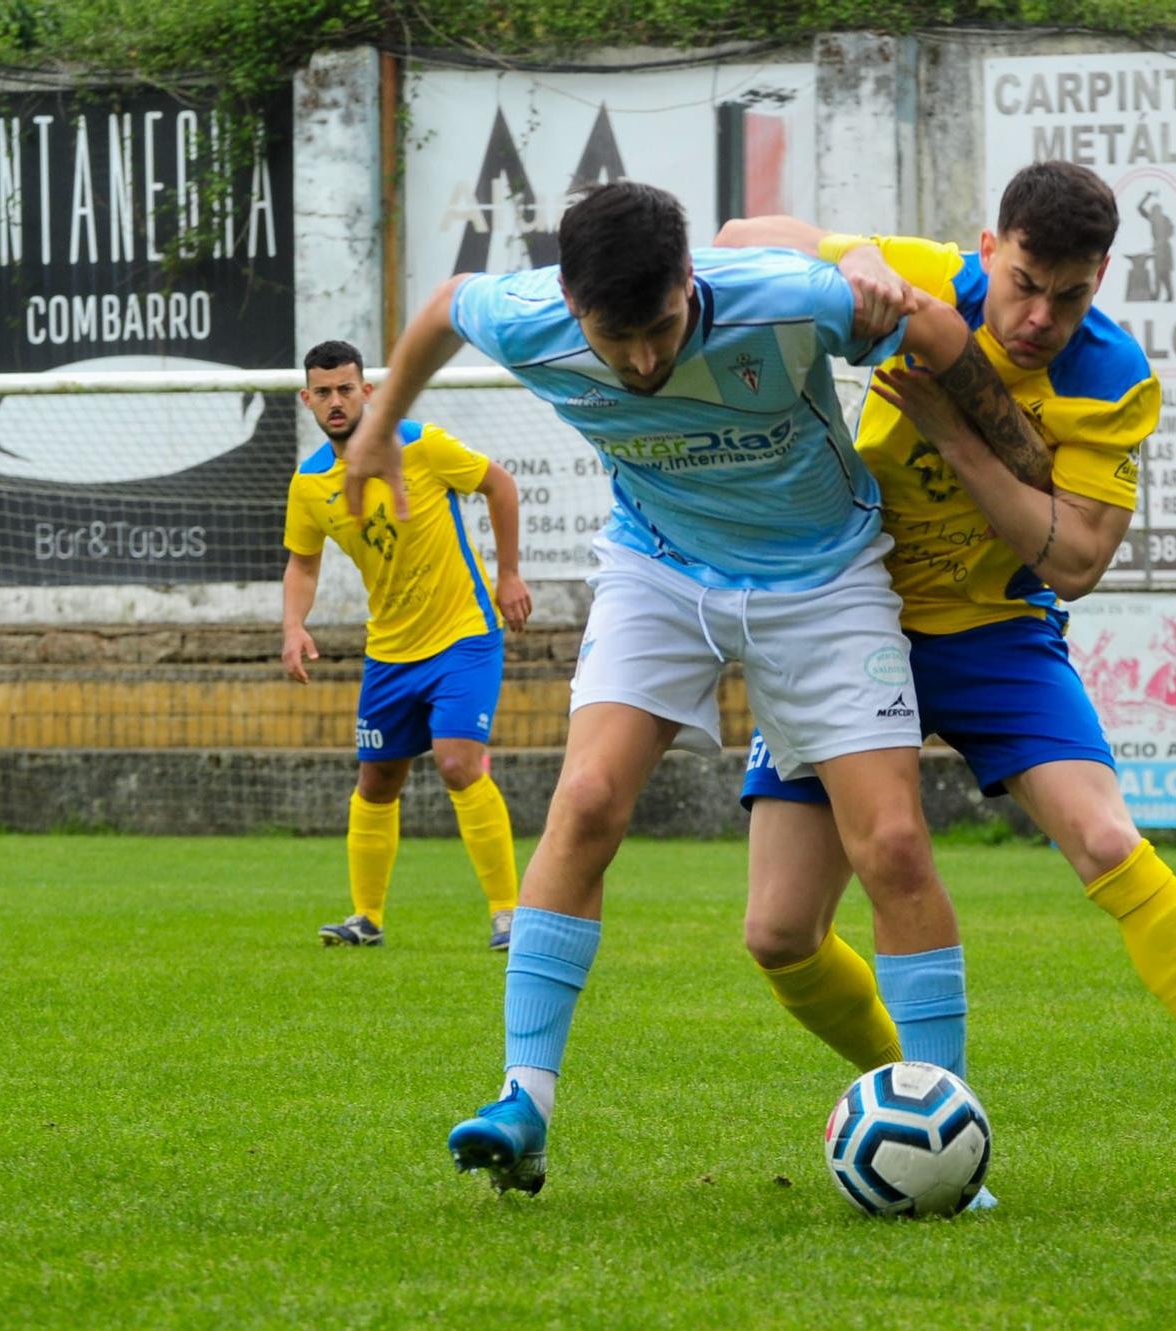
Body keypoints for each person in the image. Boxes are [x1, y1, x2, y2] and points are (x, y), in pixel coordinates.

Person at [342, 182, 1052, 1196]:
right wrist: (376, 430)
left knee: (891, 843)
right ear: (570, 304)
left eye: (660, 328)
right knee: (584, 801)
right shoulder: (531, 315)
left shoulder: (784, 298)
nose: (640, 362)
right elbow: (448, 301)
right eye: (613, 336)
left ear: (690, 280)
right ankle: (523, 1102)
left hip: (822, 578)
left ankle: (948, 1131)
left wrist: (911, 323)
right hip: (659, 567)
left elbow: (932, 323)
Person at [722, 160, 1176, 1178]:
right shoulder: (928, 284)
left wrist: (953, 434)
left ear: (1099, 276)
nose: (1037, 317)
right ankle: (923, 1099)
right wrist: (860, 261)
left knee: (1105, 836)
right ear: (985, 250)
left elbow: (1074, 560)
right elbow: (747, 235)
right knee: (778, 931)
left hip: (995, 631)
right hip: (851, 620)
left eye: (1069, 294)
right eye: (1022, 284)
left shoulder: (1109, 378)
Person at [282, 340, 533, 950]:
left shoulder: (420, 445)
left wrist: (508, 574)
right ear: (307, 399)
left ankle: (509, 914)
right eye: (323, 391)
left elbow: (499, 486)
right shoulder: (310, 482)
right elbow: (303, 565)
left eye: (346, 388)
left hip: (463, 637)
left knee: (456, 763)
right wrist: (293, 625)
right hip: (389, 653)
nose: (335, 401)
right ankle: (366, 919)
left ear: (368, 391)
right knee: (377, 782)